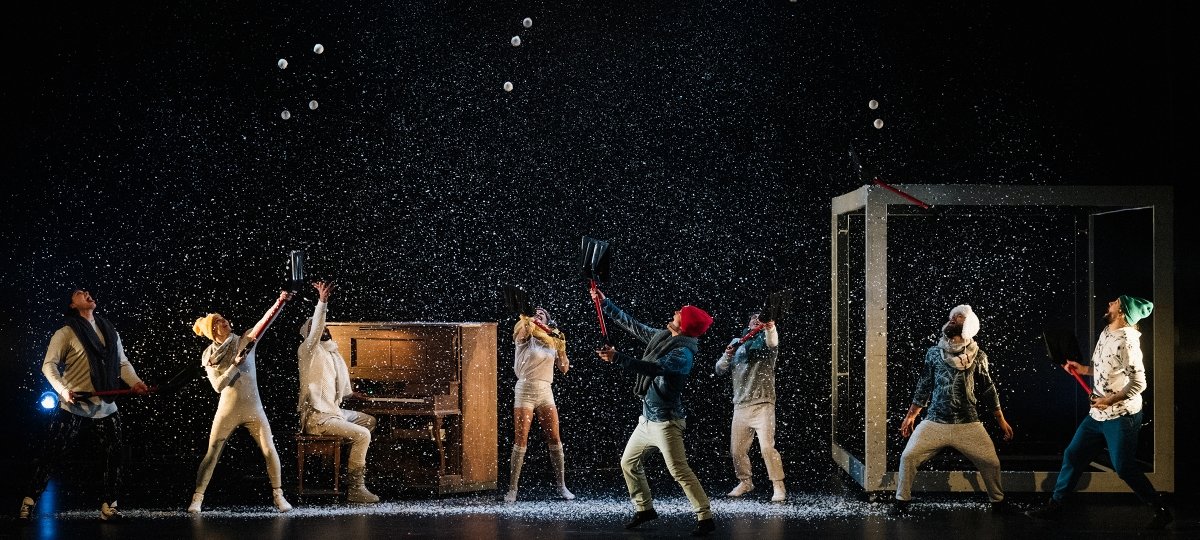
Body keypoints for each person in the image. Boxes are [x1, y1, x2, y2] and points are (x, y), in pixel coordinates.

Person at [1026, 295, 1172, 529]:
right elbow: (1105, 369)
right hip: (1098, 415)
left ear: (1122, 311)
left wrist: (1109, 399)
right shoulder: (1107, 332)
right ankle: (1055, 505)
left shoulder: (1128, 342)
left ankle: (1159, 508)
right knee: (1073, 455)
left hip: (1121, 416)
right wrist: (1083, 369)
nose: (1110, 303)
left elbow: (1139, 383)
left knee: (1123, 467)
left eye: (1115, 302)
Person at [591, 286, 716, 537]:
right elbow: (634, 326)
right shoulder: (664, 337)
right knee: (628, 463)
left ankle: (705, 516)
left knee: (679, 470)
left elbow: (652, 368)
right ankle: (644, 508)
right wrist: (606, 304)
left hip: (667, 424)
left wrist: (617, 358)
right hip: (647, 420)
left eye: (679, 313)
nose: (674, 313)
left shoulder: (683, 353)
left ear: (685, 326)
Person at [18, 289, 150, 522]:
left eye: (87, 292)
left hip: (106, 406)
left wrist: (136, 382)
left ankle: (109, 506)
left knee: (114, 456)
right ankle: (28, 501)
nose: (87, 293)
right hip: (74, 406)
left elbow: (122, 363)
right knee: (52, 454)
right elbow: (48, 366)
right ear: (72, 305)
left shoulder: (110, 331)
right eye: (80, 293)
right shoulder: (65, 333)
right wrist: (63, 390)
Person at [892, 304, 1013, 514]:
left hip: (968, 424)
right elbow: (924, 386)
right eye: (952, 317)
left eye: (958, 318)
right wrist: (910, 417)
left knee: (991, 462)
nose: (952, 320)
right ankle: (901, 502)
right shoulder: (933, 353)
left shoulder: (978, 356)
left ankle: (999, 503)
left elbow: (988, 389)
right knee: (908, 457)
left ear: (968, 326)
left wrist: (1001, 420)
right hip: (935, 422)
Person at [187, 290, 293, 513]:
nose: (225, 322)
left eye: (224, 319)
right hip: (228, 410)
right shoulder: (209, 356)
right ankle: (197, 498)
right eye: (219, 322)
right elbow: (217, 387)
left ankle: (278, 495)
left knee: (269, 449)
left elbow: (265, 322)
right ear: (212, 331)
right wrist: (234, 364)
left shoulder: (245, 341)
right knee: (212, 451)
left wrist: (281, 300)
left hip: (253, 409)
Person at [297, 281, 380, 504]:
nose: (324, 330)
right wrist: (322, 302)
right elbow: (316, 328)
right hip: (318, 418)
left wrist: (352, 395)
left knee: (368, 422)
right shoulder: (308, 350)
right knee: (363, 435)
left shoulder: (332, 354)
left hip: (334, 412)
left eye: (326, 328)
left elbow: (336, 387)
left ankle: (345, 469)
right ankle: (355, 487)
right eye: (319, 327)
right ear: (310, 332)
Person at [504, 306, 576, 503]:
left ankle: (562, 486)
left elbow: (563, 368)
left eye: (542, 313)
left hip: (545, 390)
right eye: (535, 312)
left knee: (554, 438)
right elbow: (521, 334)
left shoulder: (553, 339)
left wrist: (563, 350)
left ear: (547, 320)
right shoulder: (526, 331)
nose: (538, 313)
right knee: (521, 440)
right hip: (525, 389)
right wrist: (527, 320)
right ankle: (512, 490)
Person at [714, 311, 786, 502]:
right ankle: (746, 482)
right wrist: (727, 355)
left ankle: (778, 486)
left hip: (763, 404)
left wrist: (771, 327)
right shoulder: (737, 342)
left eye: (759, 319)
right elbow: (719, 369)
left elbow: (772, 341)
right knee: (736, 450)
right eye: (753, 318)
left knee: (767, 448)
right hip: (740, 406)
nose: (756, 320)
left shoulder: (768, 345)